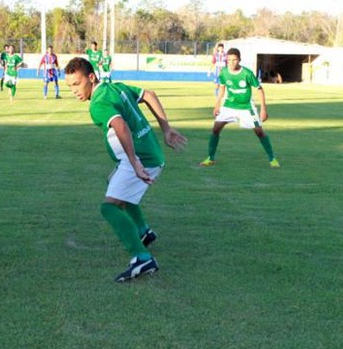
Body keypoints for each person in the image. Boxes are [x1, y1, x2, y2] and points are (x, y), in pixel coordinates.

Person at [64, 57, 187, 282]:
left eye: (76, 84)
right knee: (114, 187)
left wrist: (133, 162)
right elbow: (148, 94)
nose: (73, 90)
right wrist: (166, 129)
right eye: (70, 86)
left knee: (109, 208)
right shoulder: (115, 87)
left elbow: (120, 125)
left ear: (91, 78)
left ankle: (142, 258)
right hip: (149, 155)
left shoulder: (98, 103)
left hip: (142, 159)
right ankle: (143, 232)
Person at [200, 48, 280, 168]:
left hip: (246, 107)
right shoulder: (224, 73)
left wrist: (263, 109)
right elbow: (222, 88)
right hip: (229, 106)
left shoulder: (247, 73)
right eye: (229, 60)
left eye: (234, 60)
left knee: (259, 132)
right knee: (215, 129)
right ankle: (210, 158)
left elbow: (259, 89)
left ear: (239, 60)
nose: (231, 63)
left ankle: (272, 159)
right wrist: (217, 105)